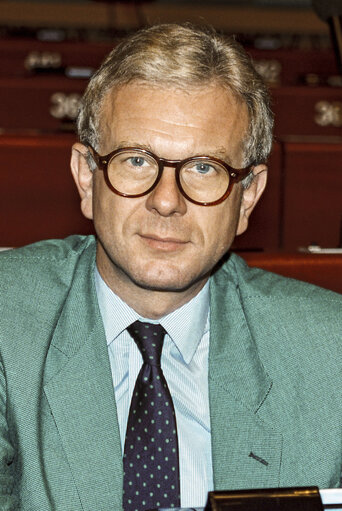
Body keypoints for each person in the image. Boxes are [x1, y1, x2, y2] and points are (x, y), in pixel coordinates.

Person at [0, 23, 341, 511]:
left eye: (204, 167)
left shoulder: (331, 355)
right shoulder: (6, 323)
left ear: (248, 197)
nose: (166, 201)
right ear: (85, 178)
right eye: (137, 160)